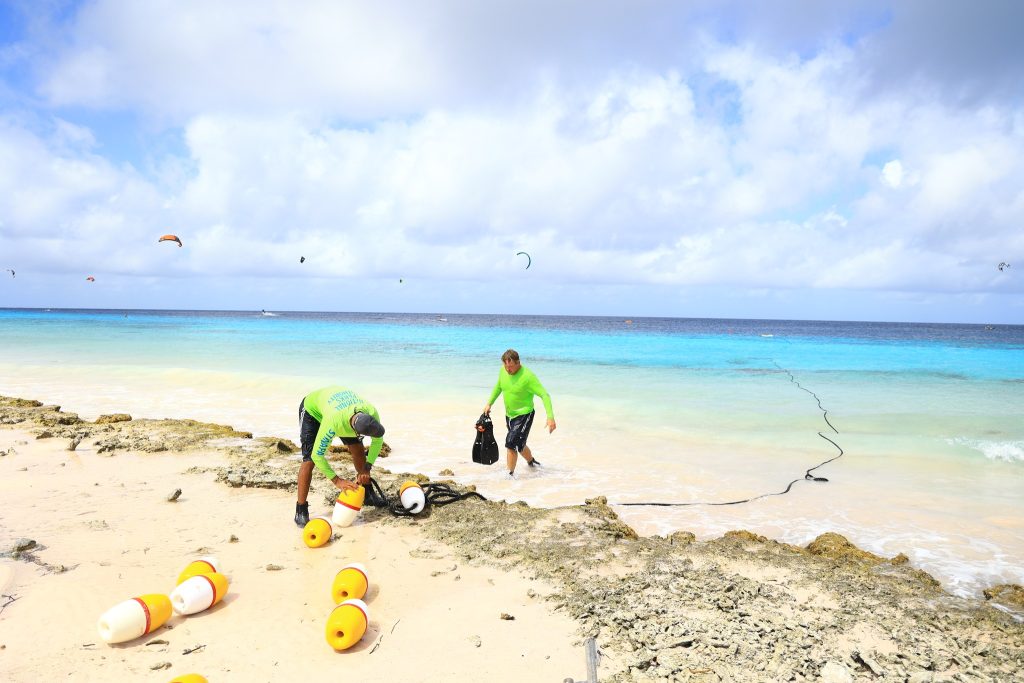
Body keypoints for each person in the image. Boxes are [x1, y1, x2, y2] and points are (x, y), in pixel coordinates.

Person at [294, 386, 386, 526]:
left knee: (357, 448)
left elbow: (378, 440)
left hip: (341, 410)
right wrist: (337, 480)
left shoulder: (371, 412)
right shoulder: (333, 423)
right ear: (355, 431)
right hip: (312, 412)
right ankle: (301, 509)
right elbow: (317, 455)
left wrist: (367, 467)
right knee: (309, 460)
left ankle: (367, 493)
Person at [482, 349, 556, 478]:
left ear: (518, 363)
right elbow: (499, 386)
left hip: (524, 414)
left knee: (511, 443)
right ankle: (532, 462)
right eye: (505, 366)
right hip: (510, 414)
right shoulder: (503, 370)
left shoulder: (528, 377)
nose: (508, 370)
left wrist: (550, 417)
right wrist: (489, 403)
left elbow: (545, 395)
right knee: (519, 444)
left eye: (510, 367)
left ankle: (509, 475)